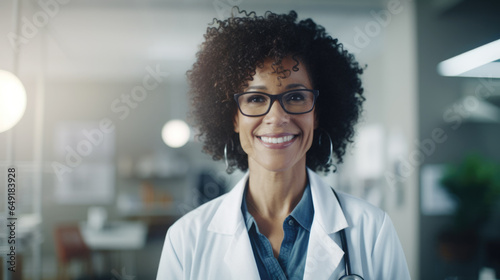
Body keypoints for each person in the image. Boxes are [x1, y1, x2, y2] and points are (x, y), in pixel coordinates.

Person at [157, 9, 410, 280]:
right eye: (255, 99)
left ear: (317, 114)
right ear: (232, 117)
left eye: (296, 97)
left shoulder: (372, 229)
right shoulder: (186, 239)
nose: (277, 118)